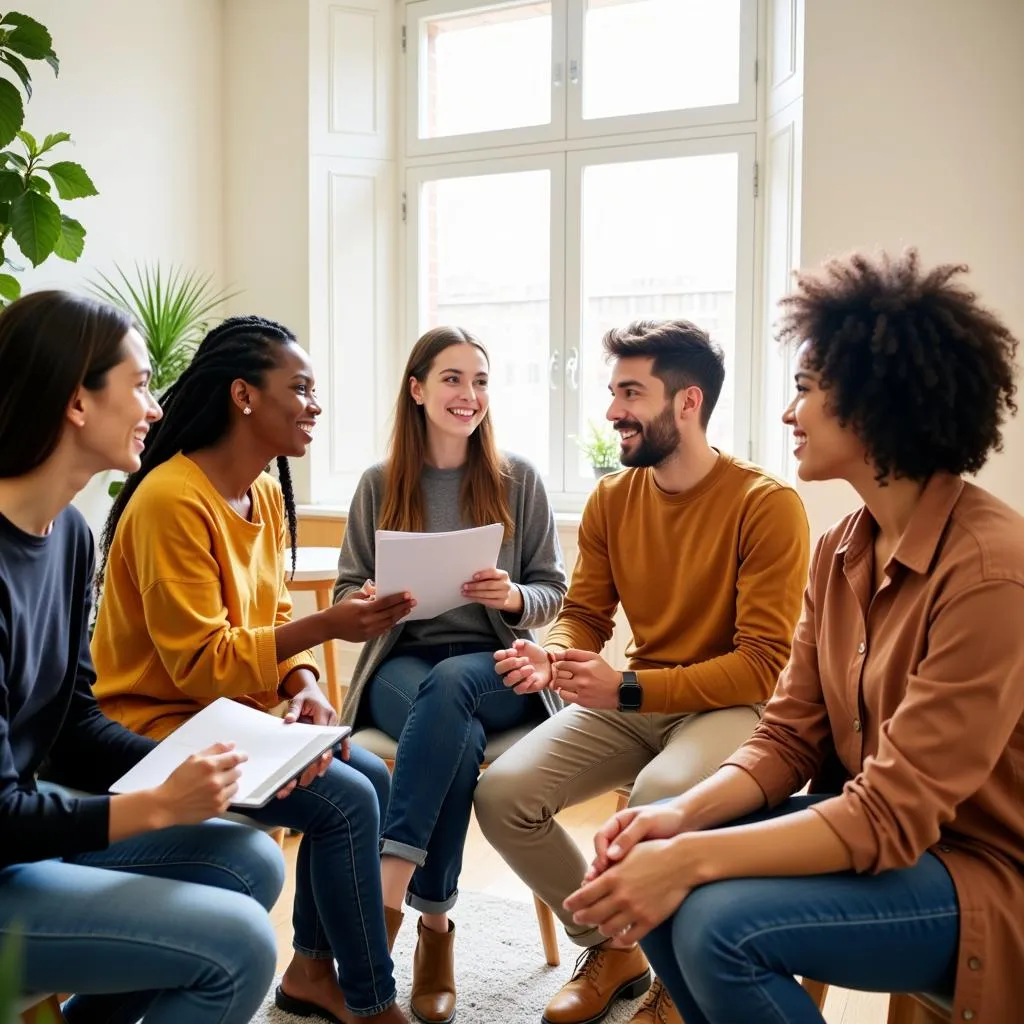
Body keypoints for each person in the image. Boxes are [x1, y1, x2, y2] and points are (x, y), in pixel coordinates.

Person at [563, 250, 1024, 1024]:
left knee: (714, 925)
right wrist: (676, 820)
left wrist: (692, 853)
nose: (788, 415)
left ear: (874, 407)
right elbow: (787, 739)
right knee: (664, 878)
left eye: (805, 392)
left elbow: (891, 812)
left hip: (979, 873)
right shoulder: (843, 547)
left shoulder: (991, 573)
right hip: (879, 835)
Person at [475, 318, 810, 1024]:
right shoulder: (611, 499)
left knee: (653, 802)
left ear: (686, 403)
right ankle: (612, 945)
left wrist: (626, 686)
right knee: (502, 794)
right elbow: (587, 614)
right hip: (637, 697)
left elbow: (761, 667)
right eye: (613, 391)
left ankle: (673, 982)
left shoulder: (766, 505)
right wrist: (556, 652)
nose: (613, 412)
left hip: (733, 707)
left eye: (631, 392)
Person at [92, 315, 414, 1024]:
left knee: (375, 776)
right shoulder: (171, 500)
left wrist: (302, 681)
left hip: (235, 720)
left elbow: (268, 617)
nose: (314, 406)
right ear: (243, 395)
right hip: (156, 727)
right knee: (347, 800)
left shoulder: (264, 491)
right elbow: (198, 663)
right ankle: (372, 1002)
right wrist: (327, 626)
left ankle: (309, 972)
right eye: (299, 389)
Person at [0, 291, 286, 1024]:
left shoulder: (67, 537)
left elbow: (72, 729)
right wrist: (156, 805)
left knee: (248, 858)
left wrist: (228, 767)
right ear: (76, 403)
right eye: (139, 385)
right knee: (241, 946)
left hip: (25, 845)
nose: (155, 408)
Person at [334, 325, 567, 1023]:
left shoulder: (517, 479)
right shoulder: (379, 485)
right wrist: (371, 601)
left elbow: (553, 590)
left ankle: (389, 891)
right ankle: (435, 932)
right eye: (453, 380)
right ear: (417, 389)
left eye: (481, 381)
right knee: (448, 726)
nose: (469, 396)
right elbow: (347, 592)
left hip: (496, 668)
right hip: (403, 668)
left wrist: (514, 597)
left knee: (453, 693)